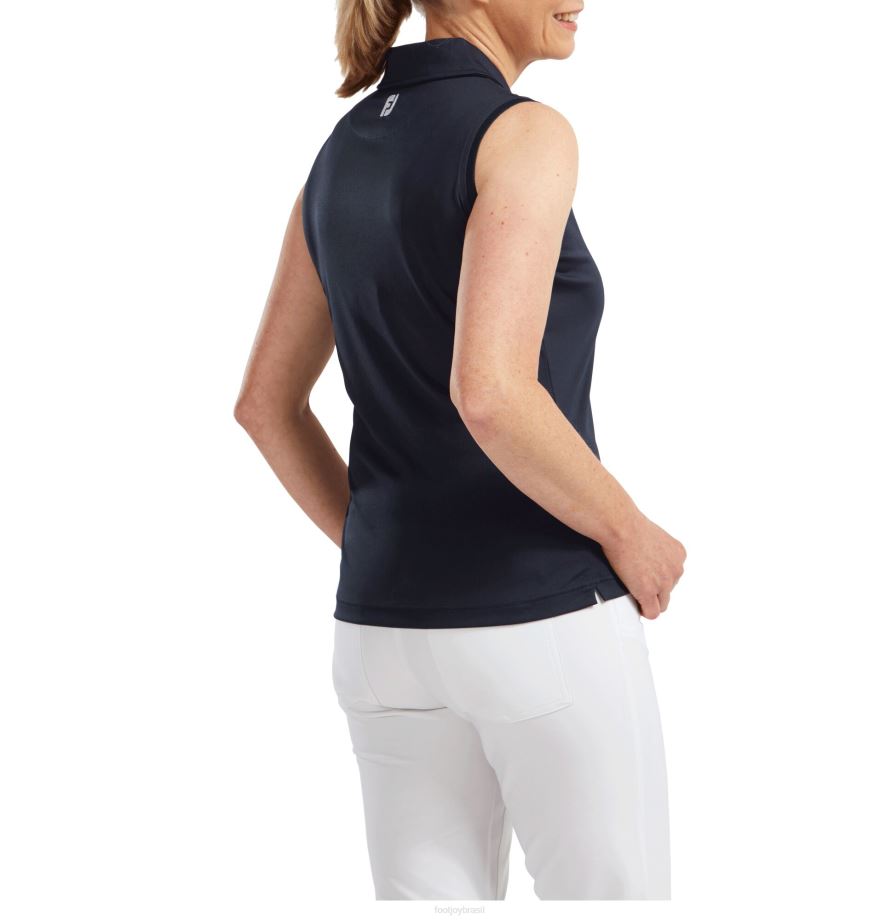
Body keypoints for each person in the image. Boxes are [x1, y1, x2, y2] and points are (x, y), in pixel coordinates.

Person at [234, 0, 686, 901]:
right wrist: (630, 533)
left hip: (383, 639)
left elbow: (264, 406)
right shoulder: (523, 134)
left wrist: (385, 544)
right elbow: (491, 393)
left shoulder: (340, 154)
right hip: (542, 623)